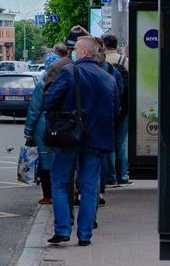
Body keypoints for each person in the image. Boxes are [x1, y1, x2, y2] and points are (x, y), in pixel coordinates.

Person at [44, 36, 120, 246]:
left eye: (76, 48)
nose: (73, 52)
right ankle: (85, 235)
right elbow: (115, 111)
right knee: (89, 187)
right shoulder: (109, 78)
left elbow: (50, 100)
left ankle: (62, 230)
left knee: (60, 182)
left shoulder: (69, 72)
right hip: (97, 140)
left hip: (69, 136)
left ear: (85, 52)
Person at [24, 52, 59, 204]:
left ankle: (48, 195)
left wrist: (28, 131)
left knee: (45, 160)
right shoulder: (66, 80)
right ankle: (61, 192)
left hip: (43, 127)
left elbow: (34, 109)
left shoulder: (42, 83)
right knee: (60, 159)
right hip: (62, 125)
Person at [101, 34, 132, 188]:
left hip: (107, 108)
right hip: (124, 108)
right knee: (122, 143)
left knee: (109, 142)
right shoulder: (125, 61)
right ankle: (123, 177)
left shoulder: (101, 62)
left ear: (104, 46)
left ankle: (111, 177)